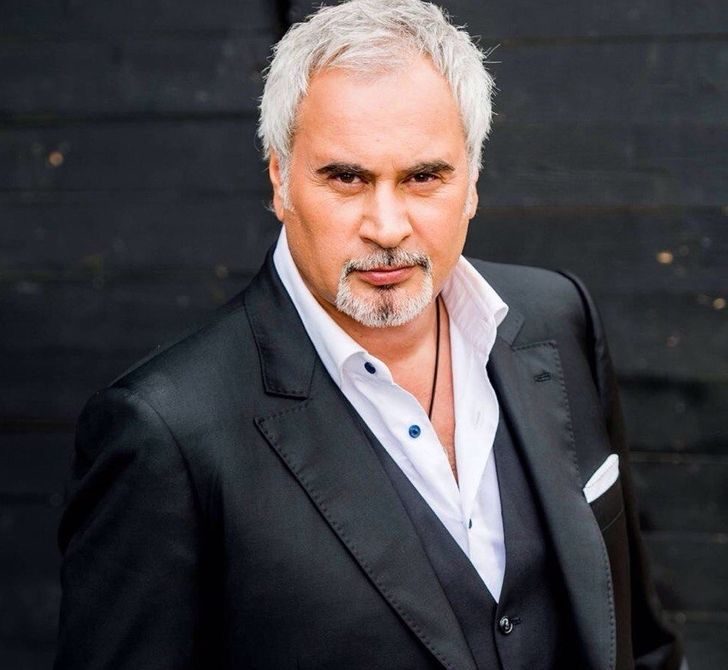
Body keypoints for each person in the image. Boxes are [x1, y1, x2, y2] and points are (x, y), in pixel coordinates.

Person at [54, 1, 686, 668]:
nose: (386, 227)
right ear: (279, 177)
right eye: (347, 178)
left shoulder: (558, 317)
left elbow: (637, 638)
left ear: (473, 179)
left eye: (424, 177)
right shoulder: (165, 431)